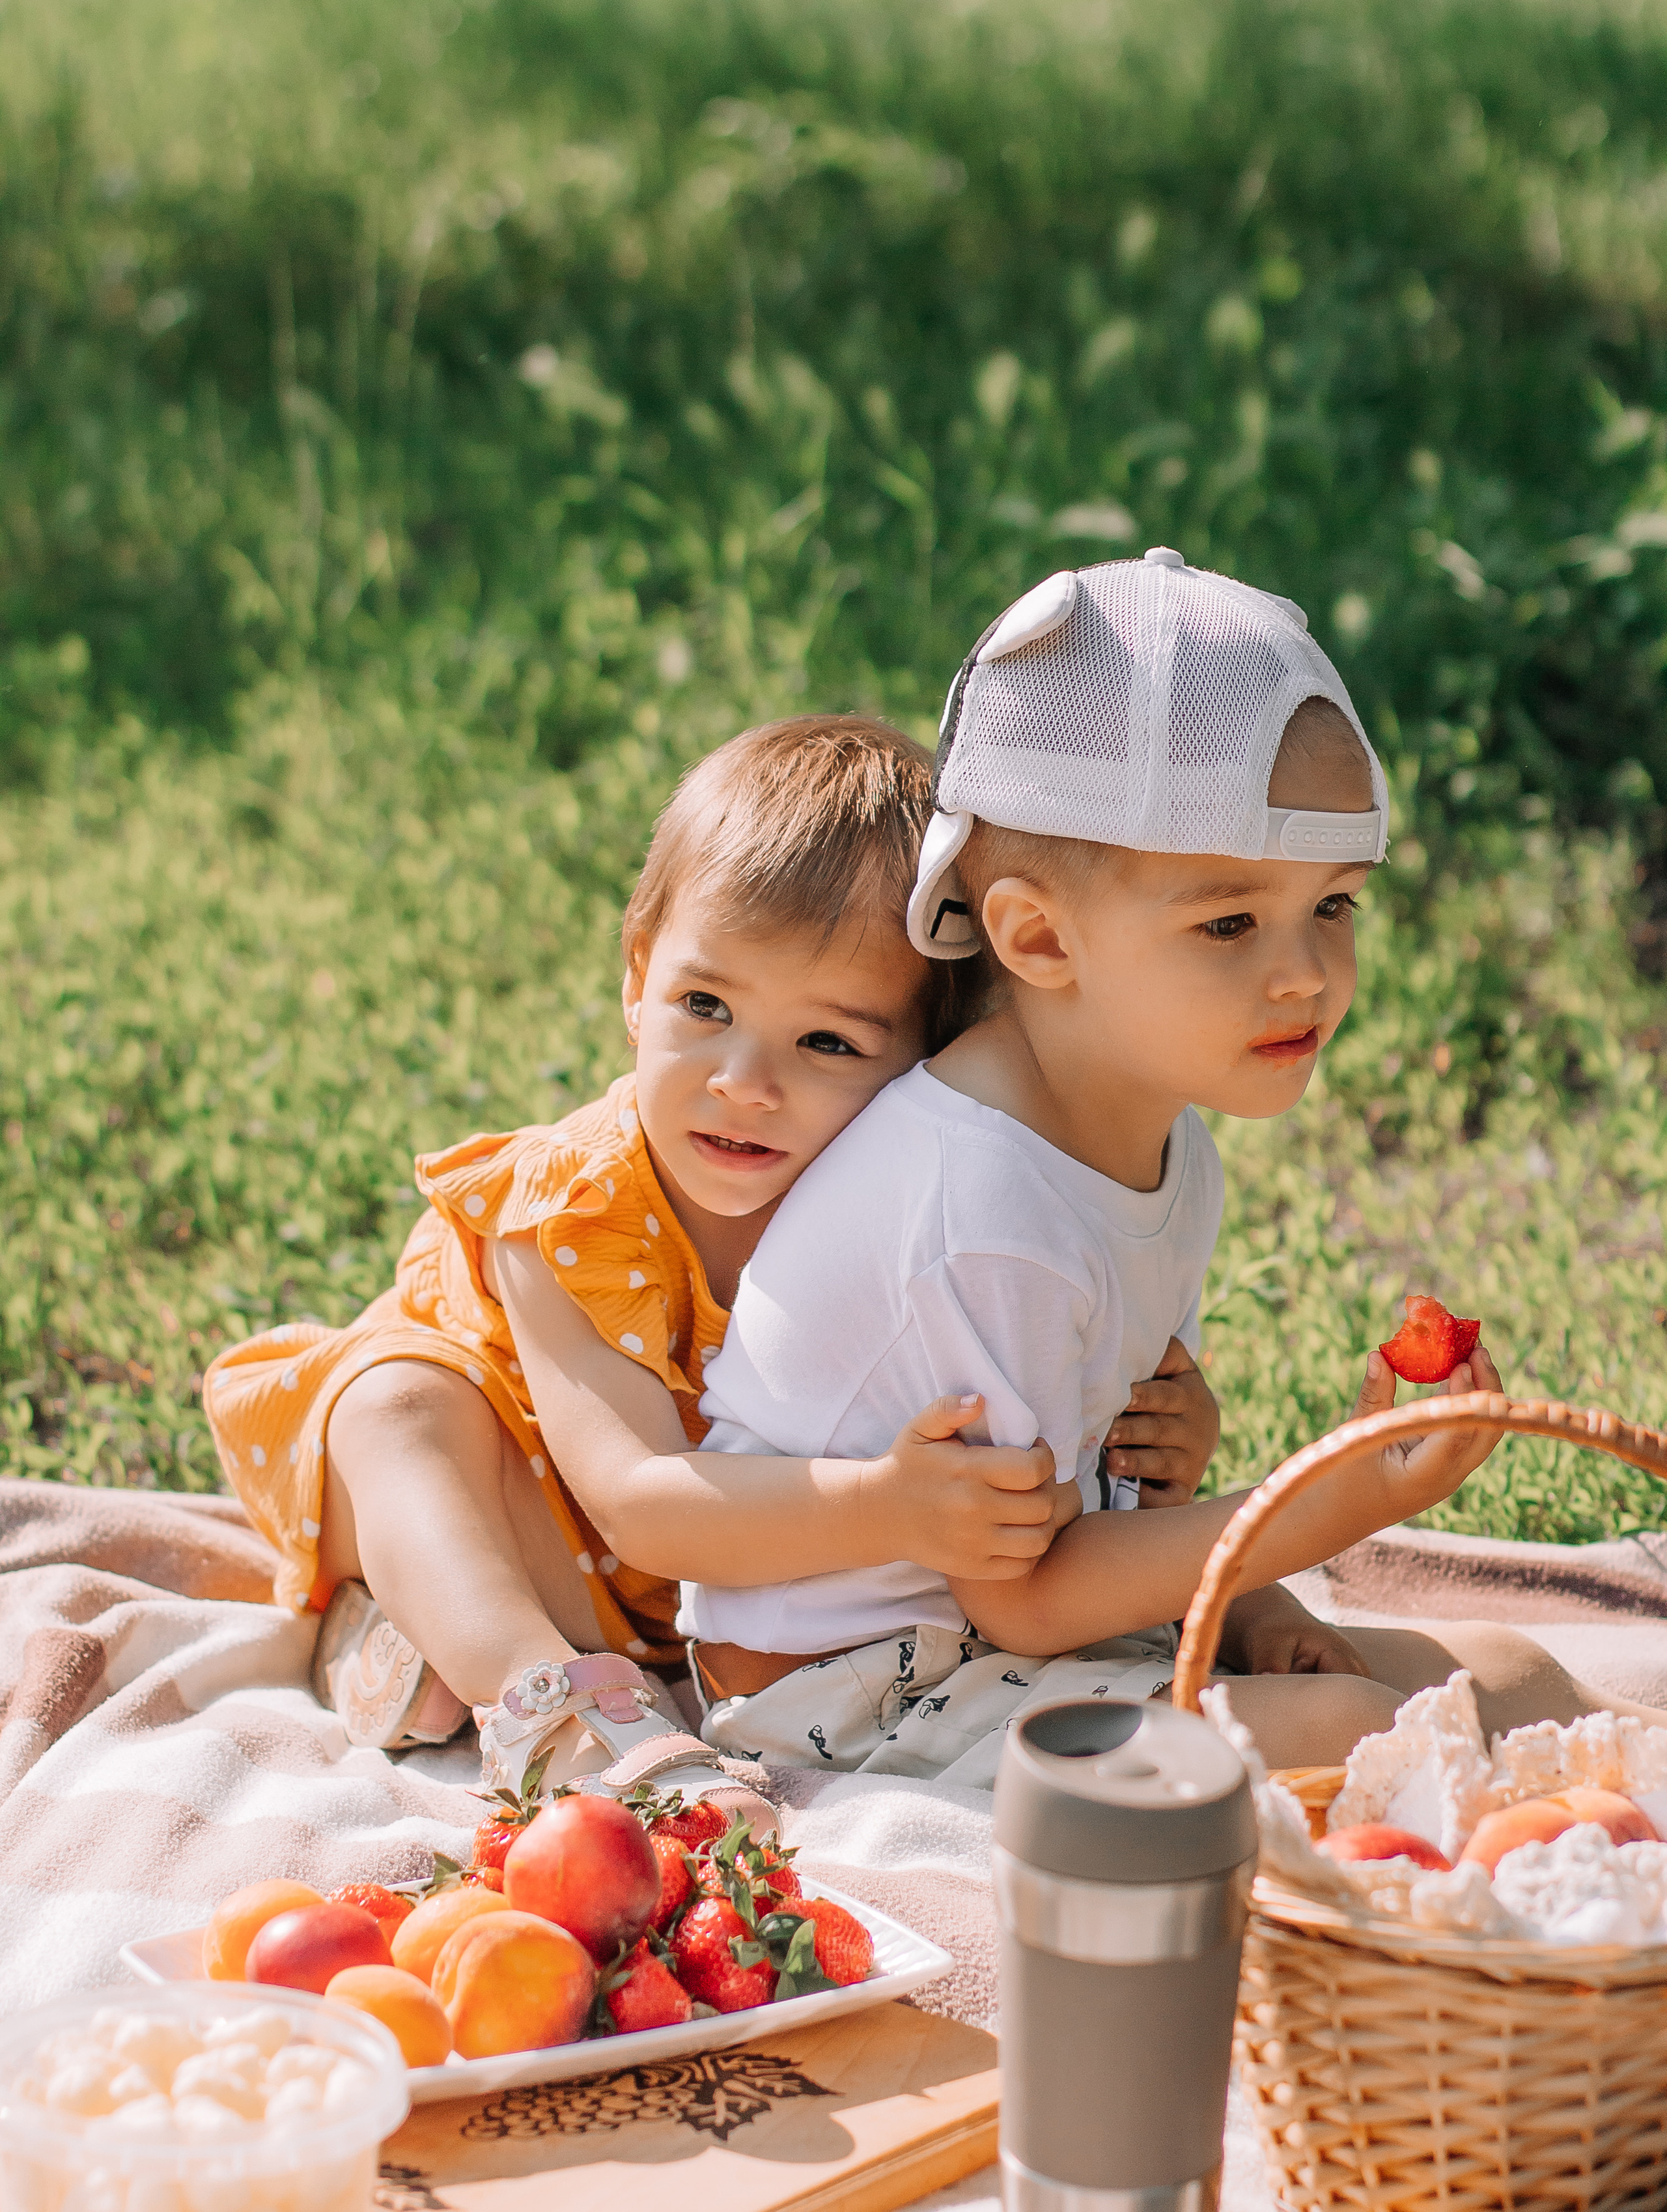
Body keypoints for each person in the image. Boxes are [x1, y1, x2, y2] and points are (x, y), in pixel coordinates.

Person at [684, 552, 1664, 1783]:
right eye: (1229, 923)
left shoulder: (1162, 1136)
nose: (1305, 972)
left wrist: (1255, 1603)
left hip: (1022, 1617)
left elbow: (1123, 1469)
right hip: (853, 1684)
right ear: (1039, 938)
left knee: (1510, 1682)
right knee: (1361, 1742)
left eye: (1336, 907)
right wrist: (1330, 1507)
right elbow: (1027, 1605)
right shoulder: (983, 1207)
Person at [203, 715, 1196, 1812]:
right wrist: (889, 1506)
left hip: (690, 1583)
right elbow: (636, 1500)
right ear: (639, 976)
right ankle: (542, 1709)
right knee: (397, 1408)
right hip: (529, 1494)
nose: (744, 1082)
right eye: (705, 1007)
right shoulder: (574, 1207)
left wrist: (1152, 1445)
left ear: (929, 1061)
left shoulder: (910, 1208)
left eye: (828, 1043)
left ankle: (404, 1639)